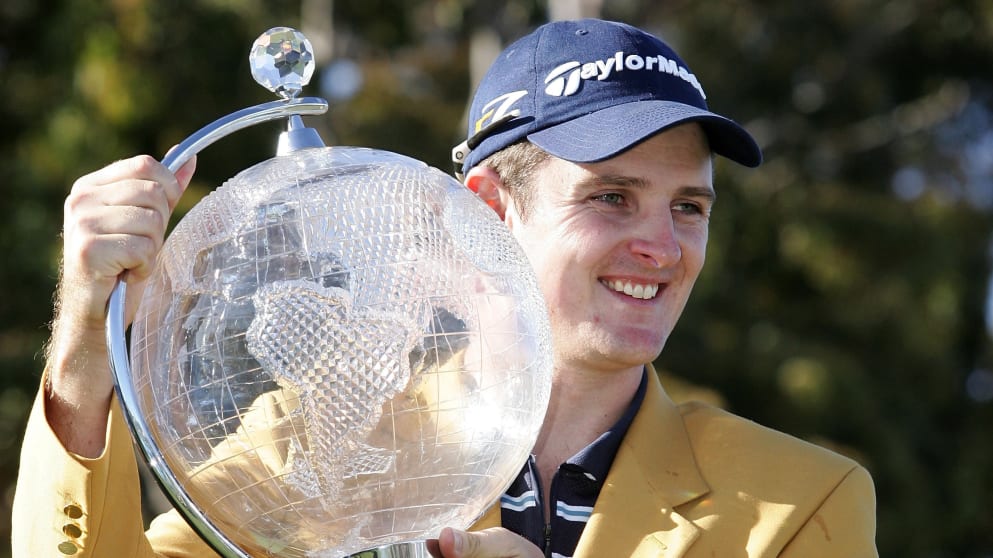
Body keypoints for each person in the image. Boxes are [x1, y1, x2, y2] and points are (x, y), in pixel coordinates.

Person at [12, 18, 878, 558]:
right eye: (611, 197)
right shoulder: (314, 450)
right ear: (489, 209)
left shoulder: (798, 500)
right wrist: (88, 332)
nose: (661, 246)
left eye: (688, 208)